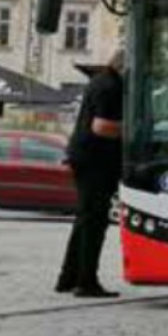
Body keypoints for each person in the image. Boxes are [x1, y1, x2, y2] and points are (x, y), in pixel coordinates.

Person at [56, 48, 125, 298]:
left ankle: (68, 277)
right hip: (96, 161)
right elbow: (102, 126)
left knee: (84, 219)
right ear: (125, 67)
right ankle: (87, 281)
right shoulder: (112, 87)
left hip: (84, 157)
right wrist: (133, 129)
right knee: (94, 221)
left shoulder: (99, 81)